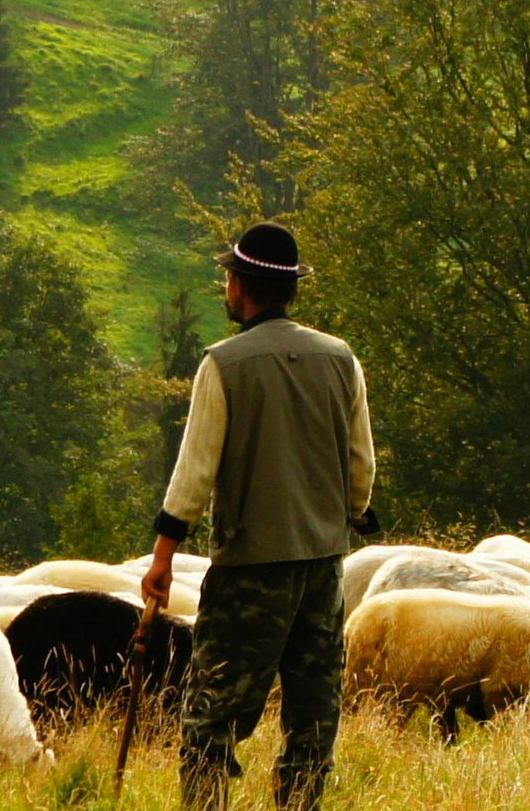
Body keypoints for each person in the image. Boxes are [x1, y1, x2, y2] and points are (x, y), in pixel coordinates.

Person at [142, 221, 377, 811]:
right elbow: (361, 467)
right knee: (312, 713)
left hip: (250, 569)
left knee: (212, 713)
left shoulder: (223, 364)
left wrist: (163, 561)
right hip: (323, 566)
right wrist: (346, 516)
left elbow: (194, 474)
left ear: (241, 285)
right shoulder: (340, 359)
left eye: (227, 276)